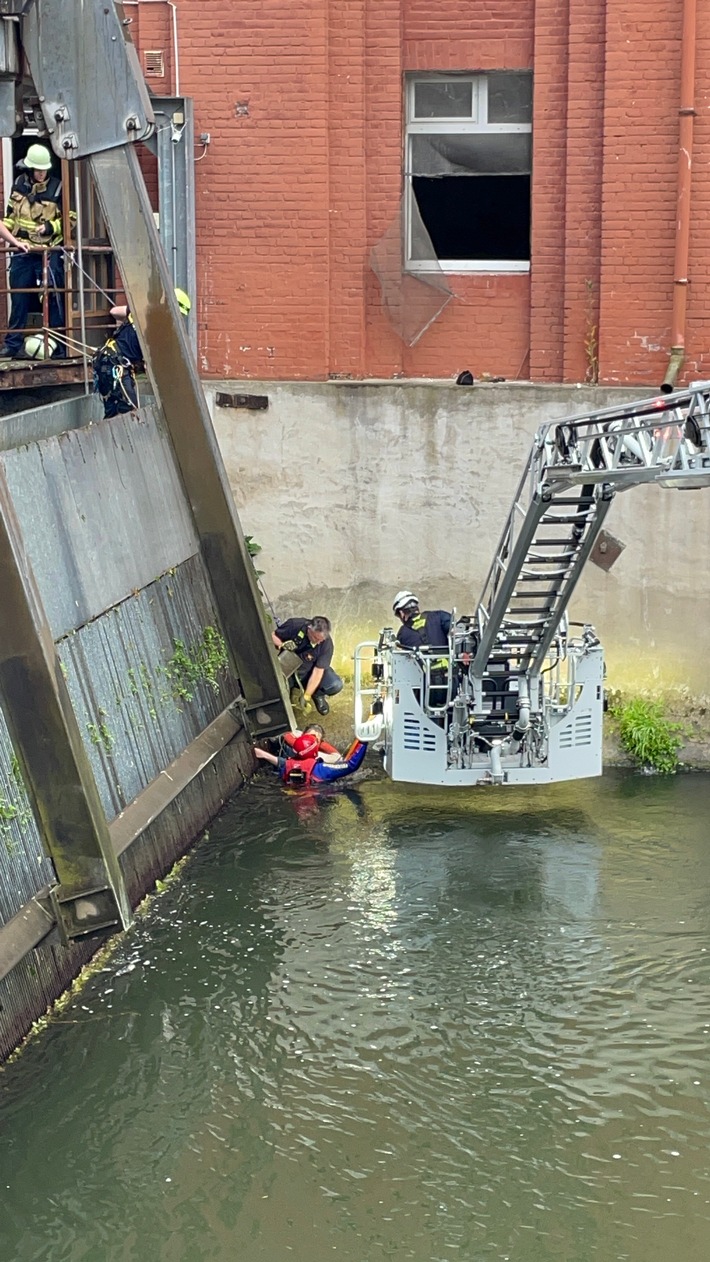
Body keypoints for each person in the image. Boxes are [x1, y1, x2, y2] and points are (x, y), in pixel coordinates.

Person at [0, 144, 69, 360]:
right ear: (30, 169)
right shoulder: (18, 186)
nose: (41, 174)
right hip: (23, 251)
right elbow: (10, 218)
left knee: (53, 298)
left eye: (44, 170)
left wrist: (51, 227)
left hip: (49, 252)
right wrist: (15, 241)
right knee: (19, 297)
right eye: (38, 170)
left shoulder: (58, 188)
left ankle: (58, 345)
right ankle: (12, 345)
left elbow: (72, 218)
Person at [93, 287, 191, 418]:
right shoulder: (160, 327)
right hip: (116, 366)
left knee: (115, 412)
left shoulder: (142, 311)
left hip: (107, 361)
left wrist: (131, 312)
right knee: (128, 412)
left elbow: (114, 311)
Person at [272, 615, 343, 716]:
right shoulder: (294, 625)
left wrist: (307, 696)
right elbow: (273, 636)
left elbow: (318, 672)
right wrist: (281, 645)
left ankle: (317, 694)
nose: (318, 642)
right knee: (280, 699)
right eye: (315, 638)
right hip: (289, 670)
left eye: (321, 640)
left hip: (310, 672)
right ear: (309, 629)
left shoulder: (326, 644)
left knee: (335, 684)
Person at [392, 590, 452, 709]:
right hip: (451, 682)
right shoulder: (439, 616)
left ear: (401, 613)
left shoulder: (402, 633)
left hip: (424, 688)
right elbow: (457, 630)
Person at [255, 731, 368, 788]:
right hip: (317, 795)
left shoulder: (287, 766)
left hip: (293, 794)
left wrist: (264, 755)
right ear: (315, 752)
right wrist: (364, 741)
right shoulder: (321, 769)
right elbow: (351, 765)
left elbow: (280, 762)